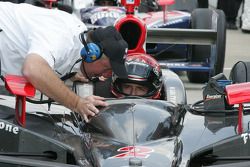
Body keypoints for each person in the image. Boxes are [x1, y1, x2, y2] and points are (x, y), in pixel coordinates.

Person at [0, 2, 128, 122]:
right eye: (107, 69)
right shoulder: (62, 37)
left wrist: (71, 73)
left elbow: (58, 58)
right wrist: (77, 103)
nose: (105, 76)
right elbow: (33, 69)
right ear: (92, 53)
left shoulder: (78, 38)